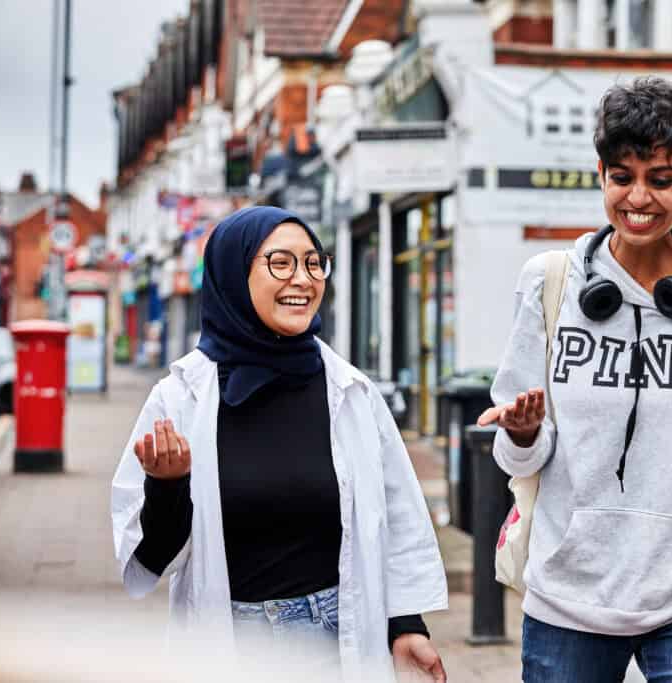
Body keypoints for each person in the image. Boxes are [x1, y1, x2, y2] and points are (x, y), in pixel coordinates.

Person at [478, 77, 672, 682]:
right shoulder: (550, 281)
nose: (638, 197)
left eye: (660, 180)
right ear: (602, 175)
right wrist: (526, 432)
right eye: (622, 177)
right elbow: (516, 460)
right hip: (570, 593)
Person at [111, 206, 448, 682]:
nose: (303, 279)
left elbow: (396, 518)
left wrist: (408, 626)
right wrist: (167, 487)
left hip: (337, 643)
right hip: (232, 647)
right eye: (280, 263)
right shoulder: (179, 397)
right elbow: (146, 561)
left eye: (313, 263)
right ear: (233, 272)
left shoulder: (350, 390)